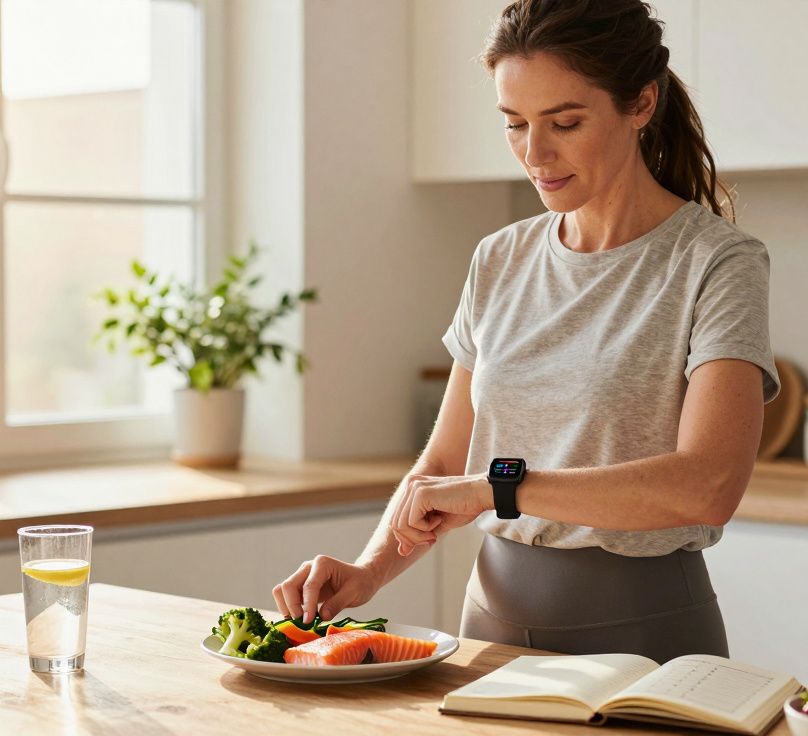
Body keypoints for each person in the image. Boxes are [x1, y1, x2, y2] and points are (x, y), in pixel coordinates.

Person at [272, 0, 779, 662]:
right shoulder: (500, 258)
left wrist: (497, 489)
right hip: (493, 628)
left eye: (565, 122)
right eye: (514, 124)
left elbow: (708, 487)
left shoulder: (715, 262)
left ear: (641, 103)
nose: (535, 154)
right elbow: (446, 462)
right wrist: (369, 569)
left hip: (645, 635)